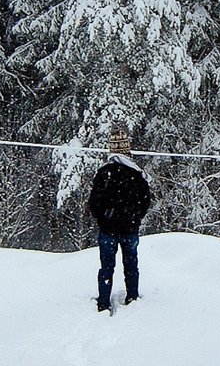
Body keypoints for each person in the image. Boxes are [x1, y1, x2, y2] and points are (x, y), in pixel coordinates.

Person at [88, 125, 151, 312]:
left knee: (106, 267)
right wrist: (134, 218)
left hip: (108, 230)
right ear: (127, 150)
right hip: (129, 229)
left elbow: (94, 202)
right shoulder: (136, 174)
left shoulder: (103, 173)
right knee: (131, 264)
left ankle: (104, 302)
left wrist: (104, 219)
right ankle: (132, 297)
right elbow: (145, 202)